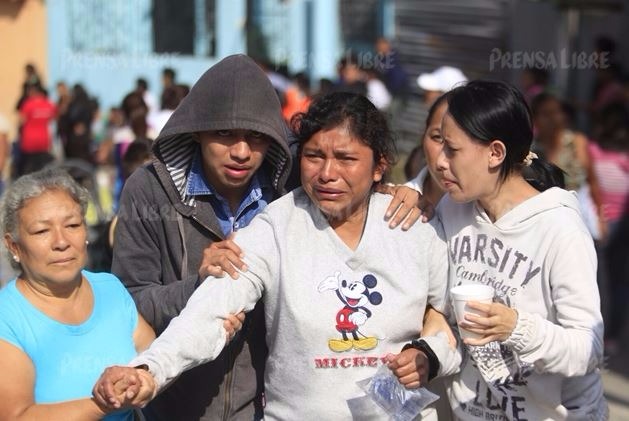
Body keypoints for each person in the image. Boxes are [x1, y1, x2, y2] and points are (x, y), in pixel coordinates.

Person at [96, 92, 459, 420]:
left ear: (379, 166)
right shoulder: (275, 227)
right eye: (314, 156)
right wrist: (149, 371)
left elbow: (454, 321)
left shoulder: (415, 227)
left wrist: (428, 354)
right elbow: (210, 311)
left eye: (346, 158)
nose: (327, 173)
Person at [111, 54, 294, 421]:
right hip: (171, 408)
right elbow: (128, 304)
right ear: (197, 130)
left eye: (256, 136)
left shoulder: (289, 195)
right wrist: (198, 287)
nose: (241, 152)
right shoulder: (149, 192)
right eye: (224, 133)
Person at [435, 80, 607, 420]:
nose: (440, 161)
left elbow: (588, 350)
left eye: (452, 150)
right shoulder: (451, 209)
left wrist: (517, 327)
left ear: (496, 153)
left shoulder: (560, 228)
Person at [0, 168, 156, 420]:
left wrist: (144, 380)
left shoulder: (110, 289)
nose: (61, 242)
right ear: (14, 246)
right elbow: (15, 416)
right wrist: (103, 404)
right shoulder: (7, 318)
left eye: (72, 225)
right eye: (42, 231)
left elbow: (154, 357)